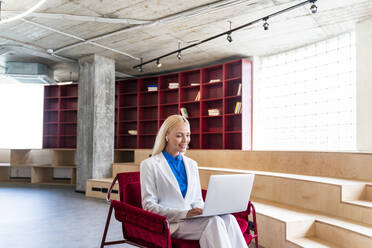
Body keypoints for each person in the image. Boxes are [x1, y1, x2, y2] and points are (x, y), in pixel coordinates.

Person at [140, 114, 248, 248]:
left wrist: (207, 210)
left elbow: (197, 200)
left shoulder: (192, 164)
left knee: (229, 219)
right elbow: (149, 206)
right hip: (172, 223)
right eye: (179, 135)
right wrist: (185, 213)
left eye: (188, 135)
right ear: (166, 136)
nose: (185, 140)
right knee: (213, 222)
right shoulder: (149, 165)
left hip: (193, 219)